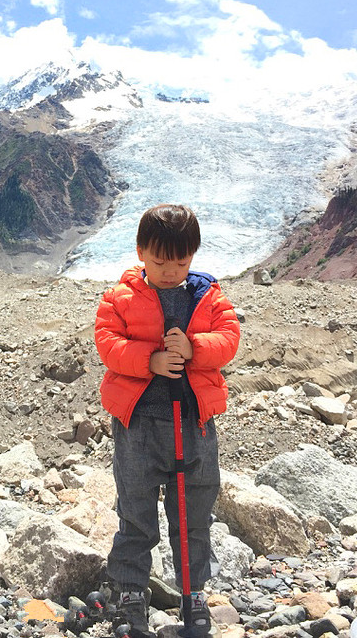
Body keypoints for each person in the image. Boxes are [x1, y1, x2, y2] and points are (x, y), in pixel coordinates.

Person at [95, 204, 241, 637]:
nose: (170, 270)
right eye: (160, 261)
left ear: (192, 256)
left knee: (193, 512)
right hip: (138, 426)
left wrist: (195, 347)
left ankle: (193, 596)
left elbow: (229, 338)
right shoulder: (119, 297)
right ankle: (131, 594)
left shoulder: (207, 297)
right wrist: (150, 360)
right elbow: (107, 342)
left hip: (193, 425)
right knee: (136, 510)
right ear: (141, 252)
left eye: (181, 261)